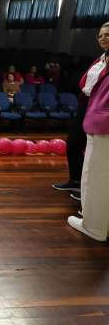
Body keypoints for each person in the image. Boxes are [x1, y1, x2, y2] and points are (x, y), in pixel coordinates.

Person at [68, 22, 109, 241]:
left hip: (103, 122)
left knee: (94, 175)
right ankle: (101, 220)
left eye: (108, 35)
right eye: (100, 35)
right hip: (98, 118)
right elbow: (85, 83)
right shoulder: (101, 59)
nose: (103, 38)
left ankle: (94, 226)